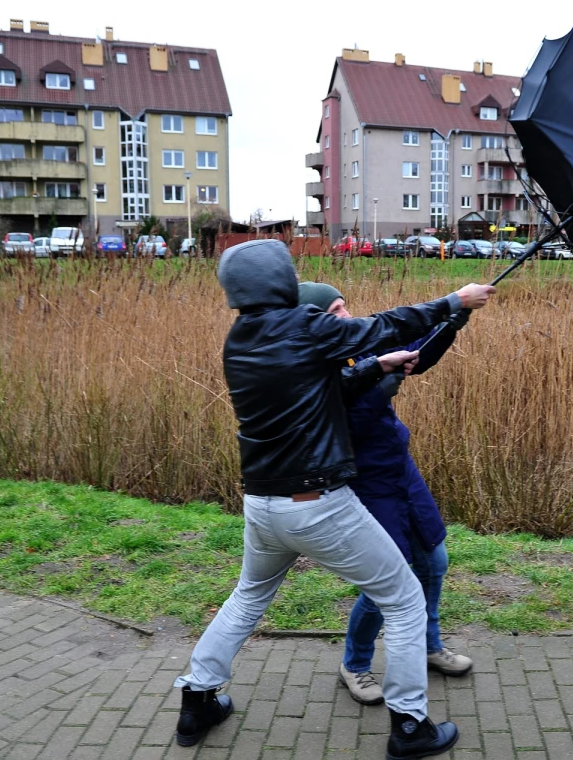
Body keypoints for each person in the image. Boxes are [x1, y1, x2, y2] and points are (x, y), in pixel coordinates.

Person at [172, 239, 495, 760]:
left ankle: (196, 699)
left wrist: (375, 368)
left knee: (248, 597)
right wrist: (454, 301)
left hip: (262, 505)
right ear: (280, 280)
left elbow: (321, 388)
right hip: (316, 502)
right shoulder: (304, 325)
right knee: (404, 598)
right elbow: (385, 325)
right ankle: (410, 726)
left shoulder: (240, 339)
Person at [297, 282, 473, 708]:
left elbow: (415, 353)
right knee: (389, 580)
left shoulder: (357, 342)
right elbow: (341, 423)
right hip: (364, 482)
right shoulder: (308, 370)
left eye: (344, 307)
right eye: (334, 311)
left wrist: (452, 322)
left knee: (434, 561)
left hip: (399, 469)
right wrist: (378, 389)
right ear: (313, 320)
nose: (346, 316)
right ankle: (355, 664)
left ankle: (429, 645)